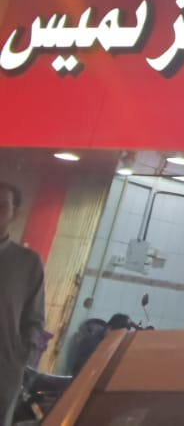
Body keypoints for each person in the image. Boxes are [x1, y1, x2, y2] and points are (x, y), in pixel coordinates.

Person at [0, 182, 45, 426]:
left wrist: (22, 358)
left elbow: (35, 319)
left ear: (14, 213)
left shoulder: (27, 263)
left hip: (4, 370)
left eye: (2, 205)